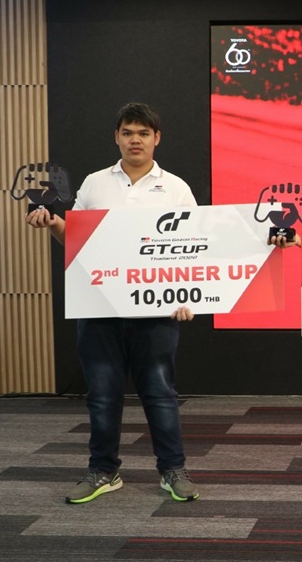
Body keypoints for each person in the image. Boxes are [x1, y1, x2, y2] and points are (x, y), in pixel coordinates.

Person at [24, 103, 208, 503]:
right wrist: (53, 223)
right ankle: (103, 471)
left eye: (143, 133)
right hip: (99, 306)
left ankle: (172, 469)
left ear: (156, 138)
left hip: (155, 311)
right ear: (117, 137)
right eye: (128, 132)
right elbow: (76, 240)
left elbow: (193, 247)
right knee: (102, 396)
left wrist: (186, 294)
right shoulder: (94, 183)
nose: (135, 139)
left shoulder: (176, 188)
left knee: (160, 393)